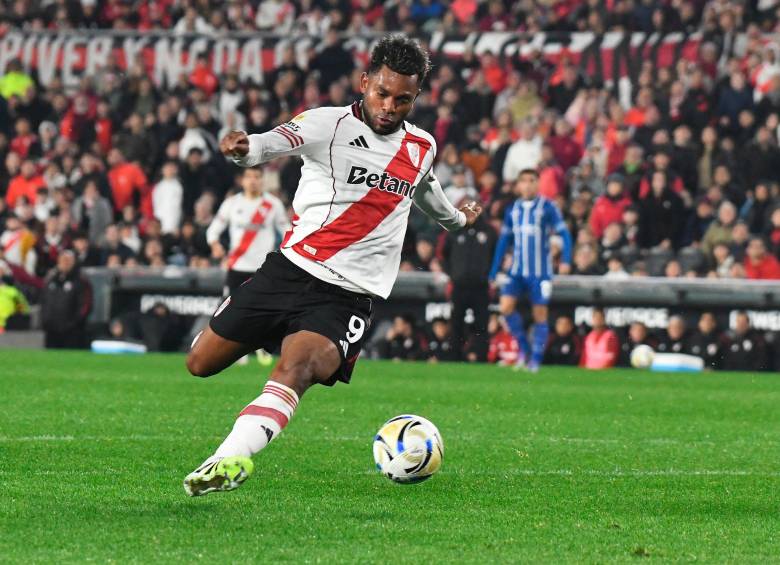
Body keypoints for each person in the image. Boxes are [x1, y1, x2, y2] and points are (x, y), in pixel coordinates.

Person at [183, 36, 482, 496]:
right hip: (288, 271)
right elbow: (270, 144)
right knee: (200, 362)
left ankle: (228, 458)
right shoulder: (327, 124)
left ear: (416, 97)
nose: (389, 107)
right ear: (364, 83)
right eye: (382, 93)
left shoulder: (422, 146)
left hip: (346, 296)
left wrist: (459, 220)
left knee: (298, 369)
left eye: (403, 99)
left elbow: (427, 194)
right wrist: (244, 149)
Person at [488, 168, 572, 372]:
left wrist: (566, 260)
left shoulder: (548, 207)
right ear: (518, 185)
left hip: (540, 272)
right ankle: (525, 350)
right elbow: (504, 241)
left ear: (537, 183)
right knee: (505, 308)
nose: (527, 185)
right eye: (523, 181)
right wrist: (494, 270)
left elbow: (565, 234)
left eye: (531, 180)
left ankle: (535, 360)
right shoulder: (513, 209)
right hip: (516, 271)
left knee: (540, 315)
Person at [206, 167, 290, 297]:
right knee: (230, 308)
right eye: (249, 176)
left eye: (257, 177)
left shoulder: (273, 204)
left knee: (262, 308)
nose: (253, 181)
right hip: (237, 266)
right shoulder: (231, 203)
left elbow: (287, 232)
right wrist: (215, 245)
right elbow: (213, 230)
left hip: (263, 268)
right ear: (242, 180)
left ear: (262, 180)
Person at [40, 251, 92, 349]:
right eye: (63, 260)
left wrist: (74, 323)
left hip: (72, 332)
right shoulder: (51, 280)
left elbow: (86, 306)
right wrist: (45, 320)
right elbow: (44, 301)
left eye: (68, 260)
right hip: (51, 331)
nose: (65, 263)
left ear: (74, 262)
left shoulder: (81, 281)